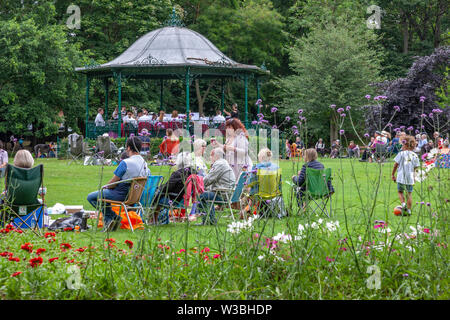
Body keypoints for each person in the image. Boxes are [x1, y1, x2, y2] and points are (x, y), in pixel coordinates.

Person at [87, 137, 150, 232]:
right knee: (103, 197)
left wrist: (105, 187)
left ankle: (112, 217)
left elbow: (113, 183)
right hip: (135, 195)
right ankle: (110, 220)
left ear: (128, 148)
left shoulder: (126, 163)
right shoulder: (144, 163)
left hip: (121, 194)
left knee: (92, 197)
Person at [151, 152, 194, 223]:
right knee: (159, 194)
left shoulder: (178, 174)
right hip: (181, 200)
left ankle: (153, 220)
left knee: (156, 196)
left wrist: (159, 188)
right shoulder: (192, 173)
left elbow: (167, 188)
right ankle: (159, 219)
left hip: (173, 201)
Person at [197, 148, 236, 225]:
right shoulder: (223, 163)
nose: (210, 158)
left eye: (211, 155)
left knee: (201, 195)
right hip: (226, 194)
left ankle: (207, 220)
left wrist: (198, 185)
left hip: (222, 195)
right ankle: (210, 220)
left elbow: (209, 179)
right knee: (205, 194)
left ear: (216, 156)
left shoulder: (219, 164)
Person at [392, 135, 420, 216]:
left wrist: (392, 174)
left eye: (402, 144)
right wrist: (414, 177)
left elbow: (395, 165)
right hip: (410, 178)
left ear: (405, 145)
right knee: (409, 194)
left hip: (401, 177)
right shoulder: (415, 155)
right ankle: (409, 211)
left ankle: (403, 204)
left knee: (400, 192)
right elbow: (416, 168)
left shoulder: (401, 154)